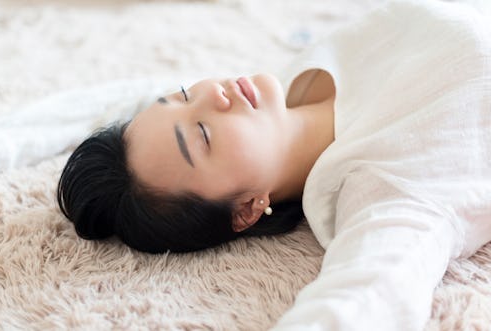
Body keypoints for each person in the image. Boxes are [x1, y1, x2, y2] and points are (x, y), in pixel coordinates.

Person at [57, 0, 491, 330]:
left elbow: (109, 98)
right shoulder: (389, 190)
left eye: (185, 94)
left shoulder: (302, 73)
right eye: (203, 134)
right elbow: (367, 297)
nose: (214, 94)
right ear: (247, 208)